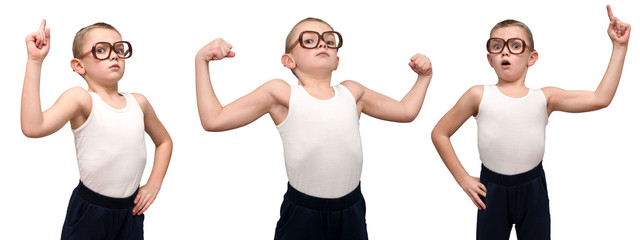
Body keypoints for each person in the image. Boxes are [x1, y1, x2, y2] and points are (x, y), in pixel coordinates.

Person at [195, 17, 432, 240]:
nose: (322, 44)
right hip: (303, 213)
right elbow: (213, 120)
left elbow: (405, 111)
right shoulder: (280, 93)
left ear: (337, 61)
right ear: (289, 60)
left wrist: (424, 78)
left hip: (351, 209)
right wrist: (202, 61)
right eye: (309, 40)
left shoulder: (352, 92)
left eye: (330, 41)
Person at [431, 5, 630, 240]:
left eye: (515, 46)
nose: (505, 53)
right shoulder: (477, 94)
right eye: (497, 46)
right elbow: (440, 133)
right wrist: (463, 178)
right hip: (492, 189)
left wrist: (619, 47)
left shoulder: (545, 98)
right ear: (490, 58)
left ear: (531, 57)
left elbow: (600, 98)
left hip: (533, 188)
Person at [21, 20, 173, 239]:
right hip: (91, 212)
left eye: (119, 49)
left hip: (130, 212)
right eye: (101, 50)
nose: (114, 56)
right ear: (78, 65)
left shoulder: (139, 103)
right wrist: (35, 61)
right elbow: (33, 127)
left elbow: (164, 141)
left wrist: (154, 184)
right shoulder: (81, 99)